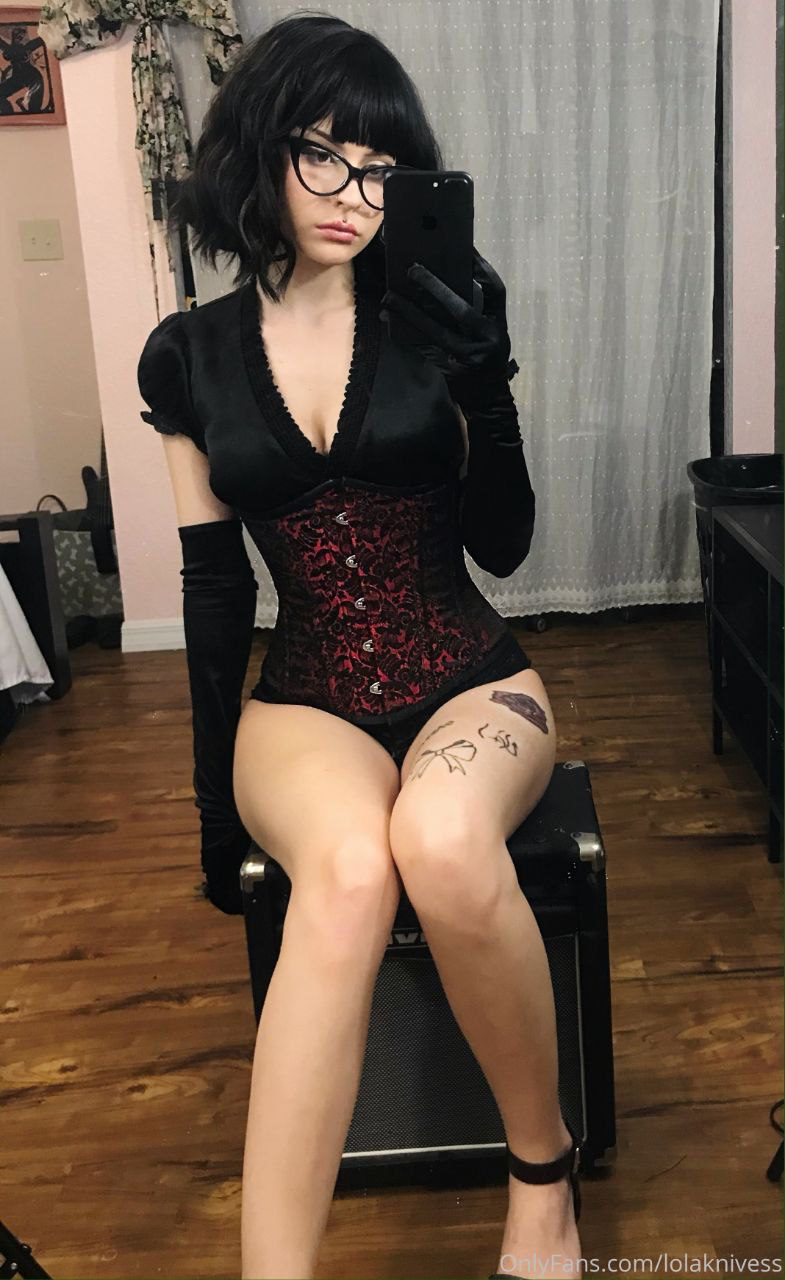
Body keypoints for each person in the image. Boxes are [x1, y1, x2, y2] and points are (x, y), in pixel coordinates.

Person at [137, 11, 583, 1278]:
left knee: (437, 839)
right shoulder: (187, 357)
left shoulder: (435, 325)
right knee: (339, 876)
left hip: (469, 677)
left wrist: (488, 387)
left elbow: (502, 546)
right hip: (304, 698)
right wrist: (210, 811)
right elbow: (213, 591)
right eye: (322, 154)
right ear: (259, 152)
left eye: (381, 169)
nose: (351, 193)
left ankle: (541, 1175)